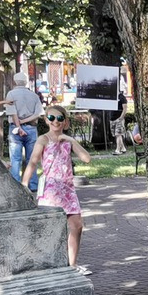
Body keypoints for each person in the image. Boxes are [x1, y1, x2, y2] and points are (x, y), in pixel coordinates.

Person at [22, 105, 92, 271]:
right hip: (51, 189)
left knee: (77, 225)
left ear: (65, 121)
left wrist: (70, 140)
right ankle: (48, 265)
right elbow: (32, 162)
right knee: (51, 229)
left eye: (60, 118)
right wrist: (24, 184)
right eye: (51, 118)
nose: (55, 121)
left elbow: (87, 158)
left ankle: (72, 264)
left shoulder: (68, 141)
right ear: (46, 120)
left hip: (68, 189)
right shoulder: (43, 139)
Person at [2, 71, 44, 192]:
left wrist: (19, 126)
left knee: (15, 159)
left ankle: (16, 186)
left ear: (15, 81)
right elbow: (38, 113)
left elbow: (12, 112)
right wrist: (25, 120)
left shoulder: (11, 94)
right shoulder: (34, 95)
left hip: (15, 129)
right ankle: (33, 184)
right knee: (32, 158)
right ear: (26, 82)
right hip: (31, 128)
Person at [111, 88, 129, 155]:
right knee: (116, 135)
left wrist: (121, 118)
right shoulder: (112, 96)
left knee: (118, 134)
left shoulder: (122, 97)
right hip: (112, 118)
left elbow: (125, 108)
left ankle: (118, 150)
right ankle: (123, 148)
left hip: (119, 118)